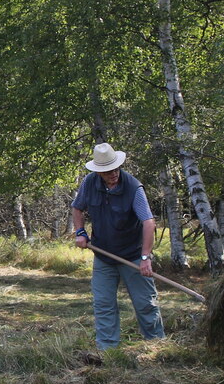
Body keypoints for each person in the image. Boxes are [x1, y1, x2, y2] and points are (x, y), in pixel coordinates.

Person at [69, 142, 166, 350]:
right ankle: (107, 350)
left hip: (132, 255)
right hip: (104, 255)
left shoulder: (133, 187)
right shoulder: (89, 183)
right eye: (107, 171)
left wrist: (145, 257)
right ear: (98, 171)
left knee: (146, 304)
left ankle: (158, 347)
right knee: (103, 304)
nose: (113, 174)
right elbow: (77, 208)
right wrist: (80, 232)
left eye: (115, 169)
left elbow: (148, 222)